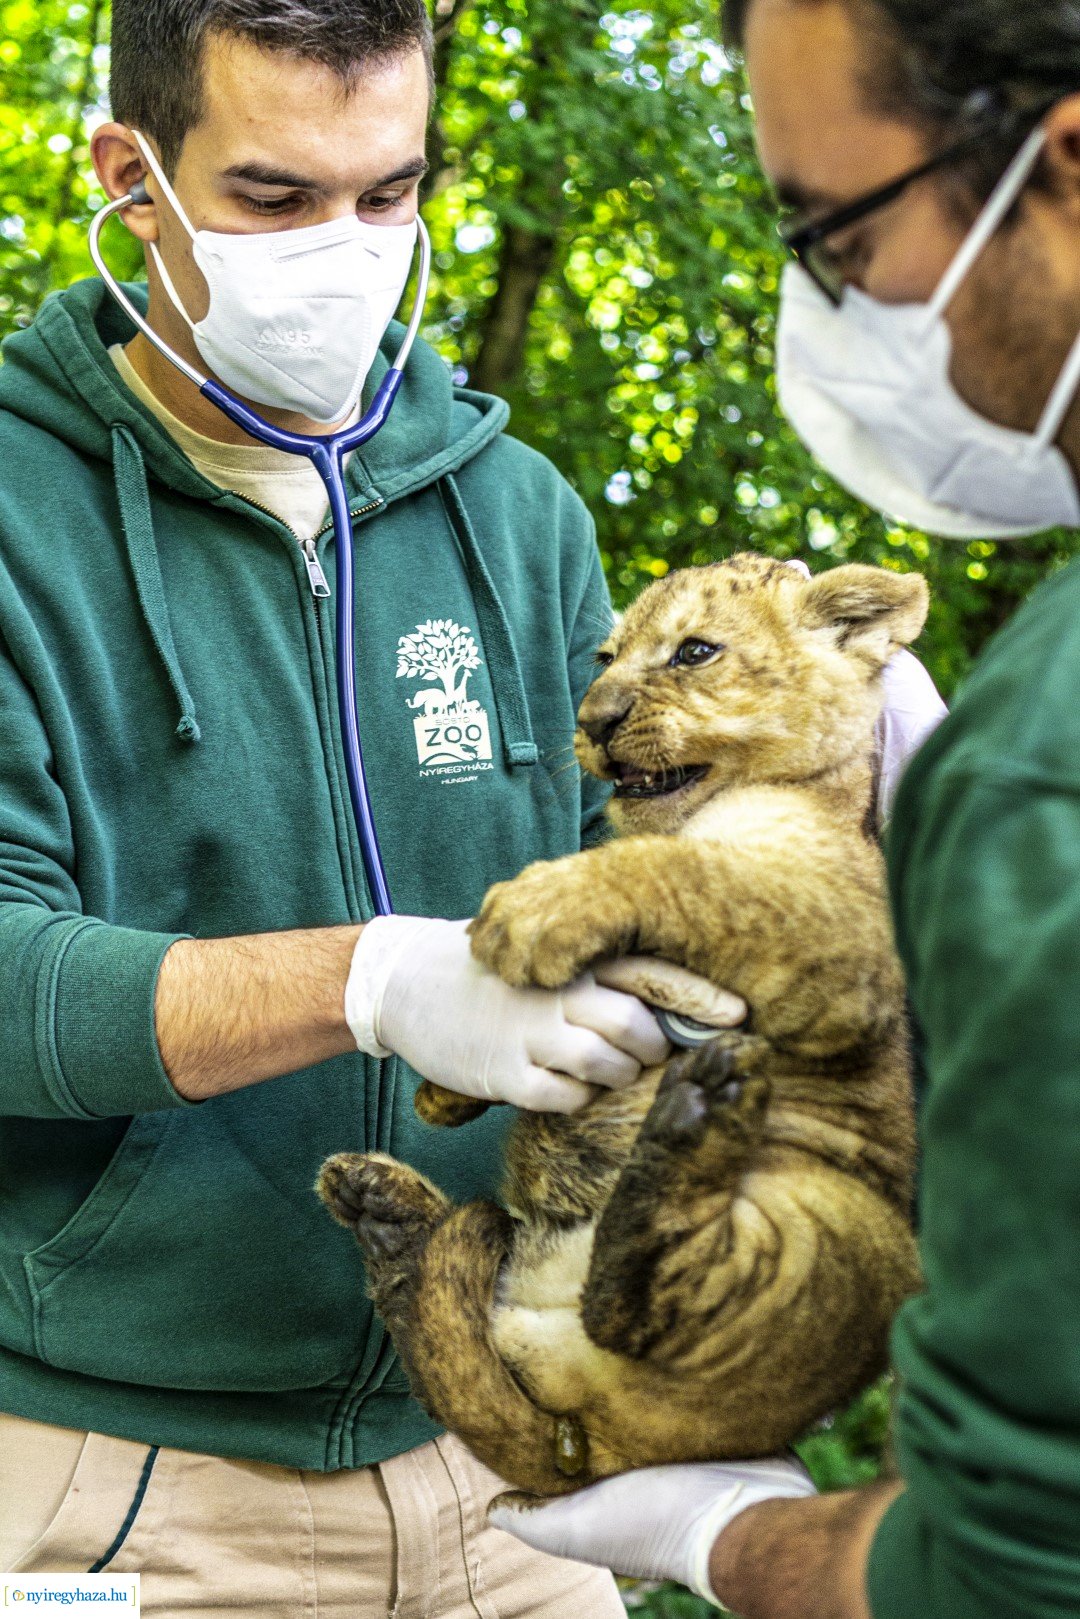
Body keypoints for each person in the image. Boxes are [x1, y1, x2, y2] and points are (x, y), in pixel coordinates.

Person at [0, 0, 943, 1608]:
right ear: (131, 179)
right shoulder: (24, 511)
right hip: (124, 1481)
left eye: (389, 193)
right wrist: (370, 983)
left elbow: (634, 894)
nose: (345, 250)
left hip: (511, 1461)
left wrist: (843, 800)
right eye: (275, 197)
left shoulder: (515, 514)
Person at [490, 3, 1080, 1616]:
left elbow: (1020, 1573)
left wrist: (728, 1542)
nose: (822, 310)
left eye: (838, 234)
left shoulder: (1033, 766)